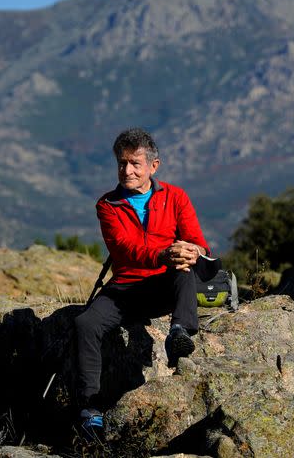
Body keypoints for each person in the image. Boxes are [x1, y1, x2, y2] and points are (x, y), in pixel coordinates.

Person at [73, 127, 210, 436]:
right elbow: (124, 249)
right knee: (86, 325)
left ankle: (180, 332)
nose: (127, 170)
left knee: (184, 269)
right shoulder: (107, 205)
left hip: (165, 284)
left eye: (135, 163)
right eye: (122, 163)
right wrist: (162, 255)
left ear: (153, 166)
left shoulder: (176, 198)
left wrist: (192, 251)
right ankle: (90, 407)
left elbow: (200, 244)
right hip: (125, 287)